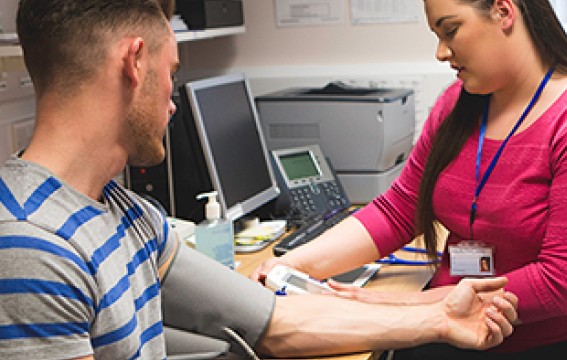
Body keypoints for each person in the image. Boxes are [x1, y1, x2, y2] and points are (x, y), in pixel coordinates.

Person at [0, 0, 519, 359]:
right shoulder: (32, 246)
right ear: (135, 63)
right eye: (173, 73)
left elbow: (273, 322)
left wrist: (438, 319)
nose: (173, 101)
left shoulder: (129, 216)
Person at [252, 0, 567, 357]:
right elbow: (398, 211)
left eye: (450, 30)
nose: (441, 53)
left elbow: (560, 286)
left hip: (555, 341)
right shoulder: (458, 103)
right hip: (448, 322)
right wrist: (291, 266)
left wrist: (391, 306)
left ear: (504, 12)